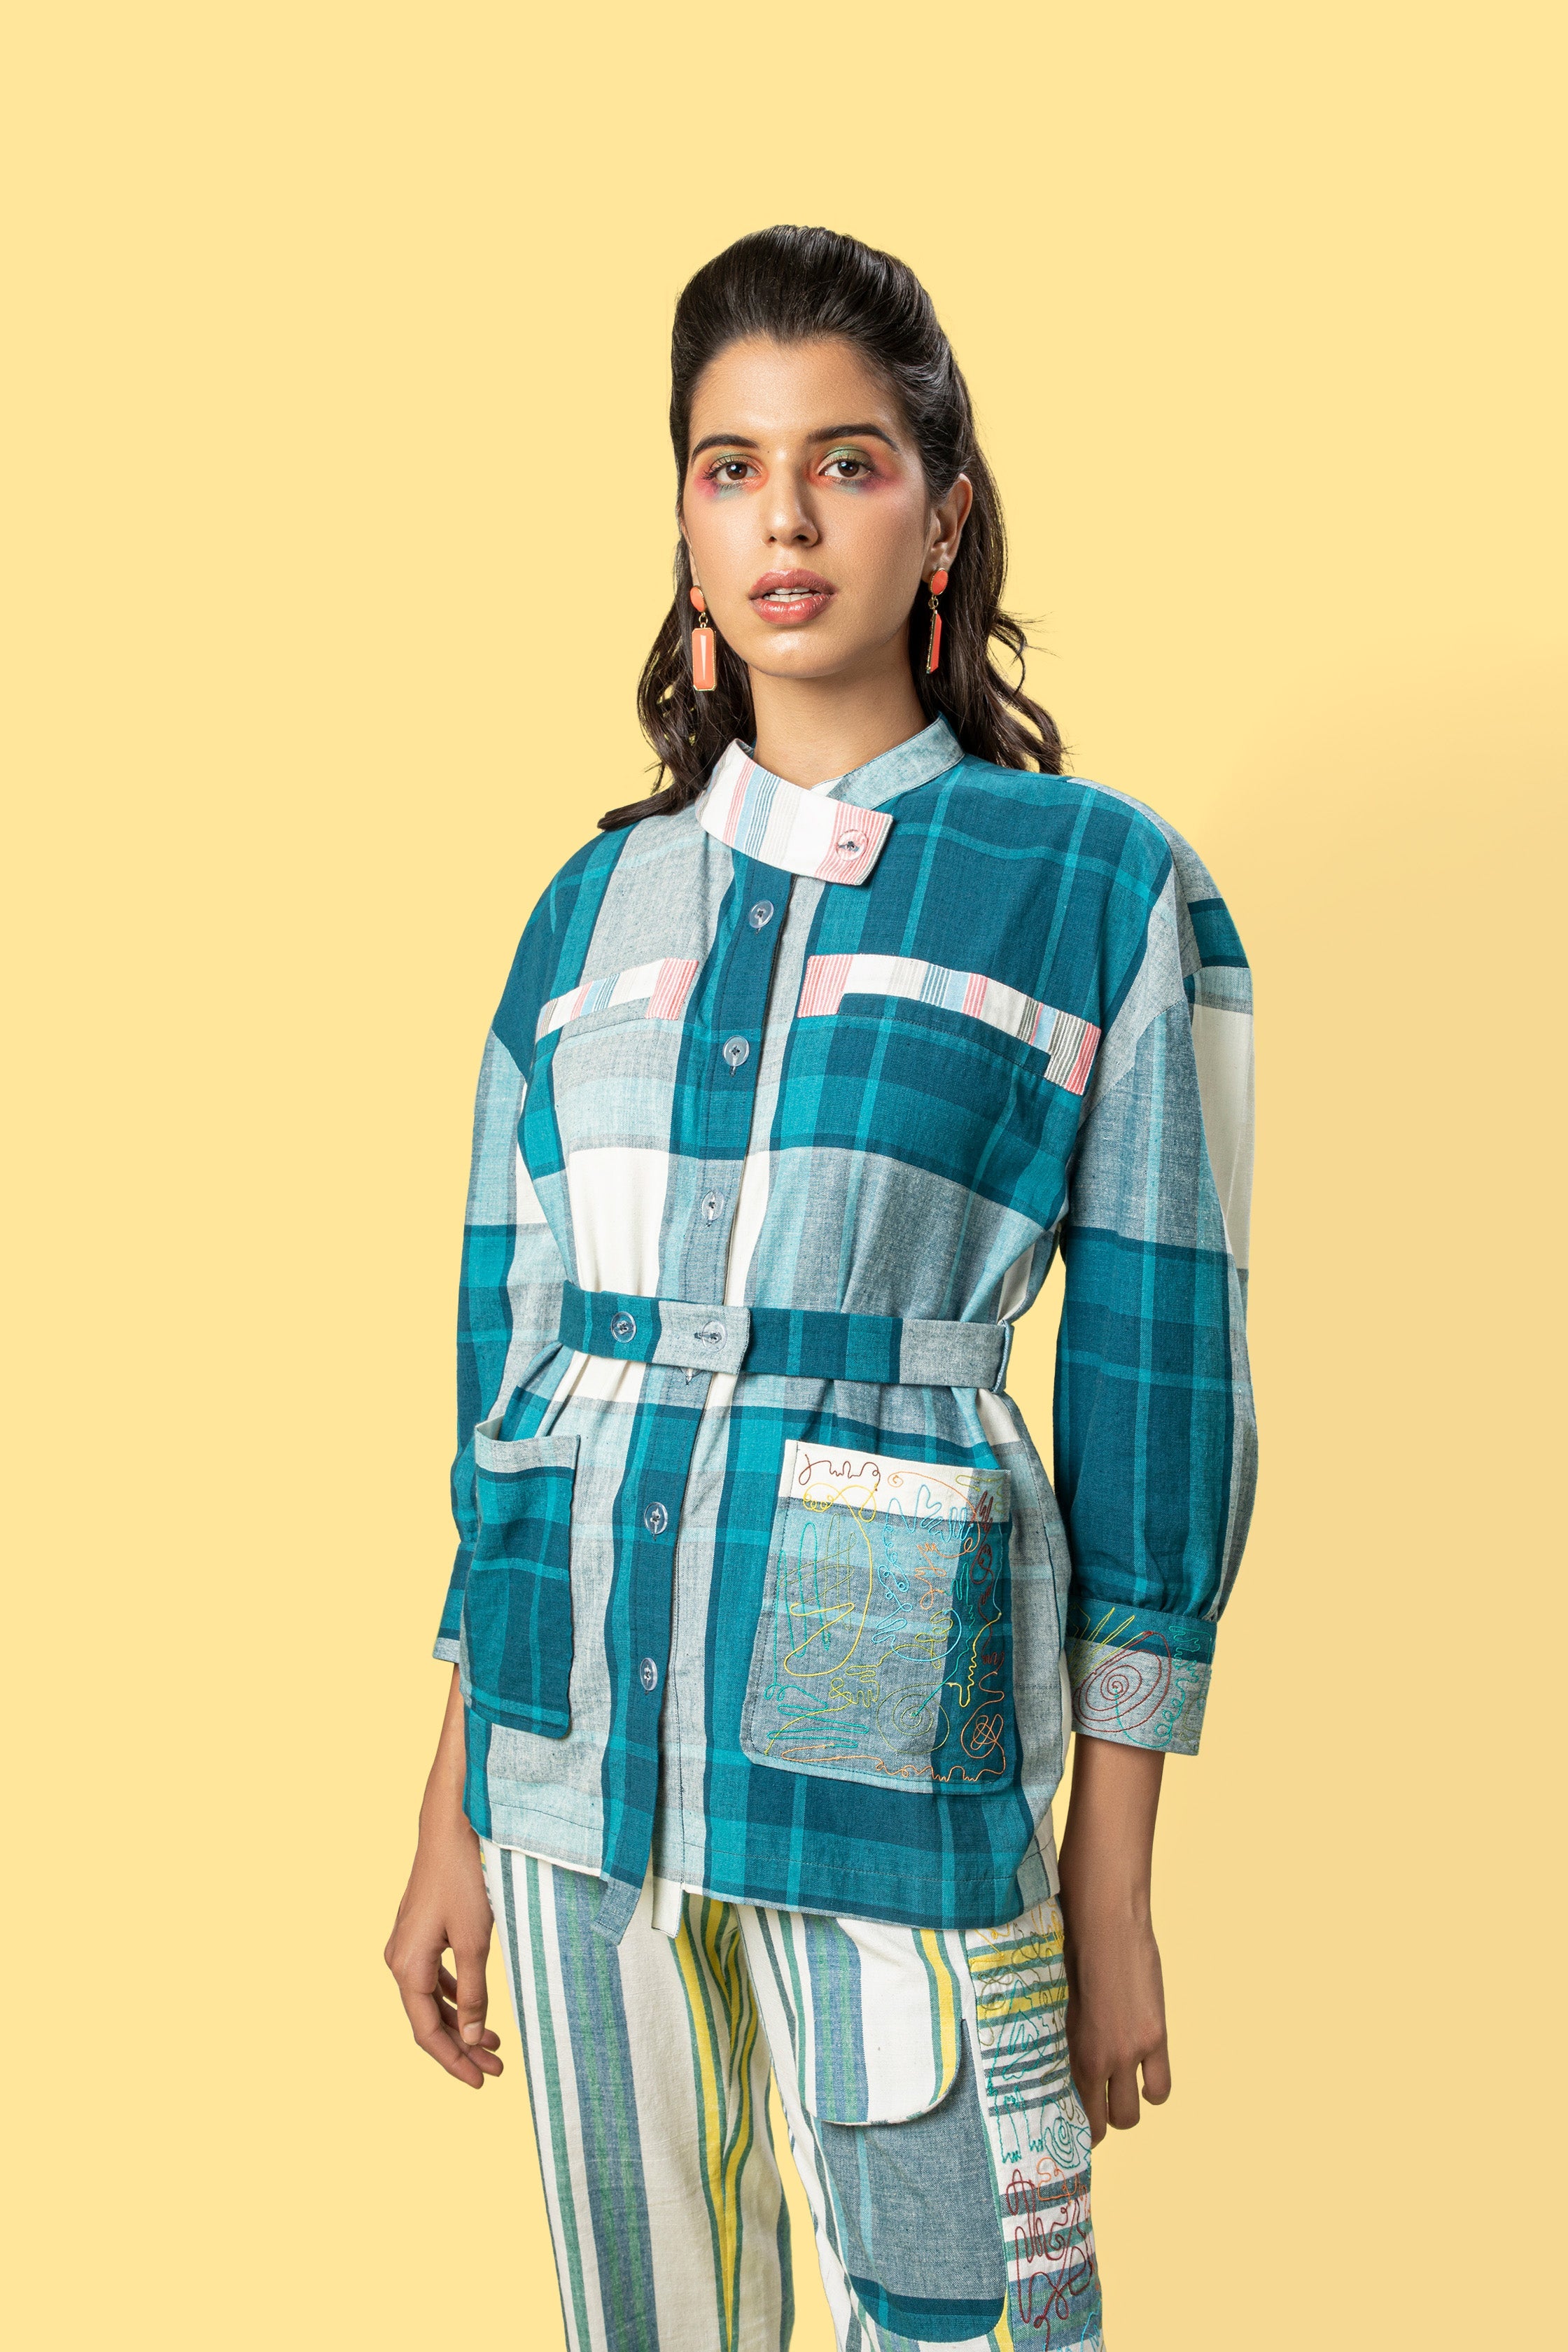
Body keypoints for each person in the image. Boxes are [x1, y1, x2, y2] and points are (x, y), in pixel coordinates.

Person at [385, 224, 1256, 2352]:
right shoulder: (588, 909)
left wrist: (1114, 1879)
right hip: (574, 1762)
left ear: (941, 516)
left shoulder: (1099, 884)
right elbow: (515, 1380)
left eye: (845, 463)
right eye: (731, 467)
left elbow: (1158, 1379)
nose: (784, 518)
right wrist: (454, 1803)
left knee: (972, 2320)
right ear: (686, 527)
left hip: (896, 1742)